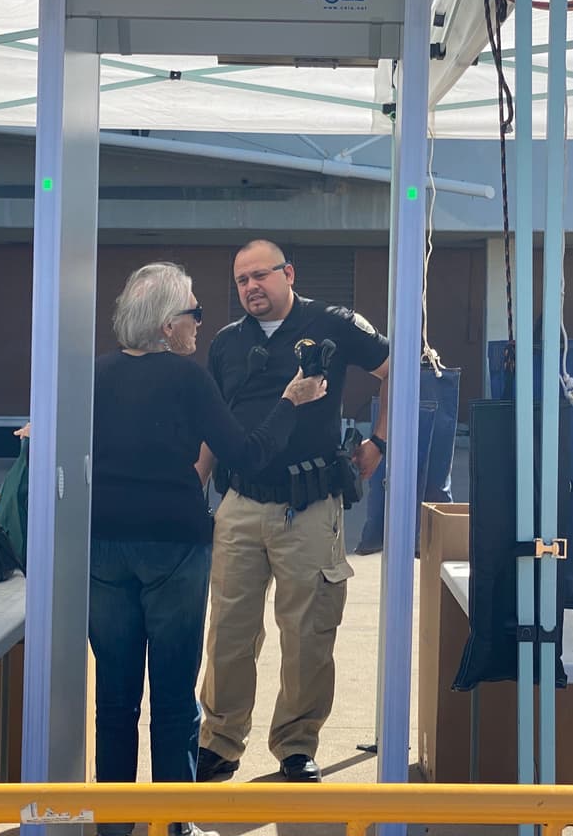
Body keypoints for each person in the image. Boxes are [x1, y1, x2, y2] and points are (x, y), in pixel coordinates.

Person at [79, 262, 326, 836]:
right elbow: (247, 454)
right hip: (174, 547)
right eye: (194, 312)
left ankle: (112, 825)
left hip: (104, 546)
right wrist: (291, 400)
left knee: (114, 697)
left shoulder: (94, 375)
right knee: (173, 696)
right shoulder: (187, 380)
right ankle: (173, 821)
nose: (200, 322)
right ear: (167, 326)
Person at [194, 239, 390, 783]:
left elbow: (398, 369)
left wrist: (379, 440)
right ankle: (220, 742)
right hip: (240, 504)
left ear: (288, 273)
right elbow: (214, 421)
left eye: (261, 275)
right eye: (241, 281)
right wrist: (198, 482)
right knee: (229, 631)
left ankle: (296, 745)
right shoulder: (228, 343)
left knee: (308, 633)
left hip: (310, 507)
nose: (251, 287)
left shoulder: (334, 322)